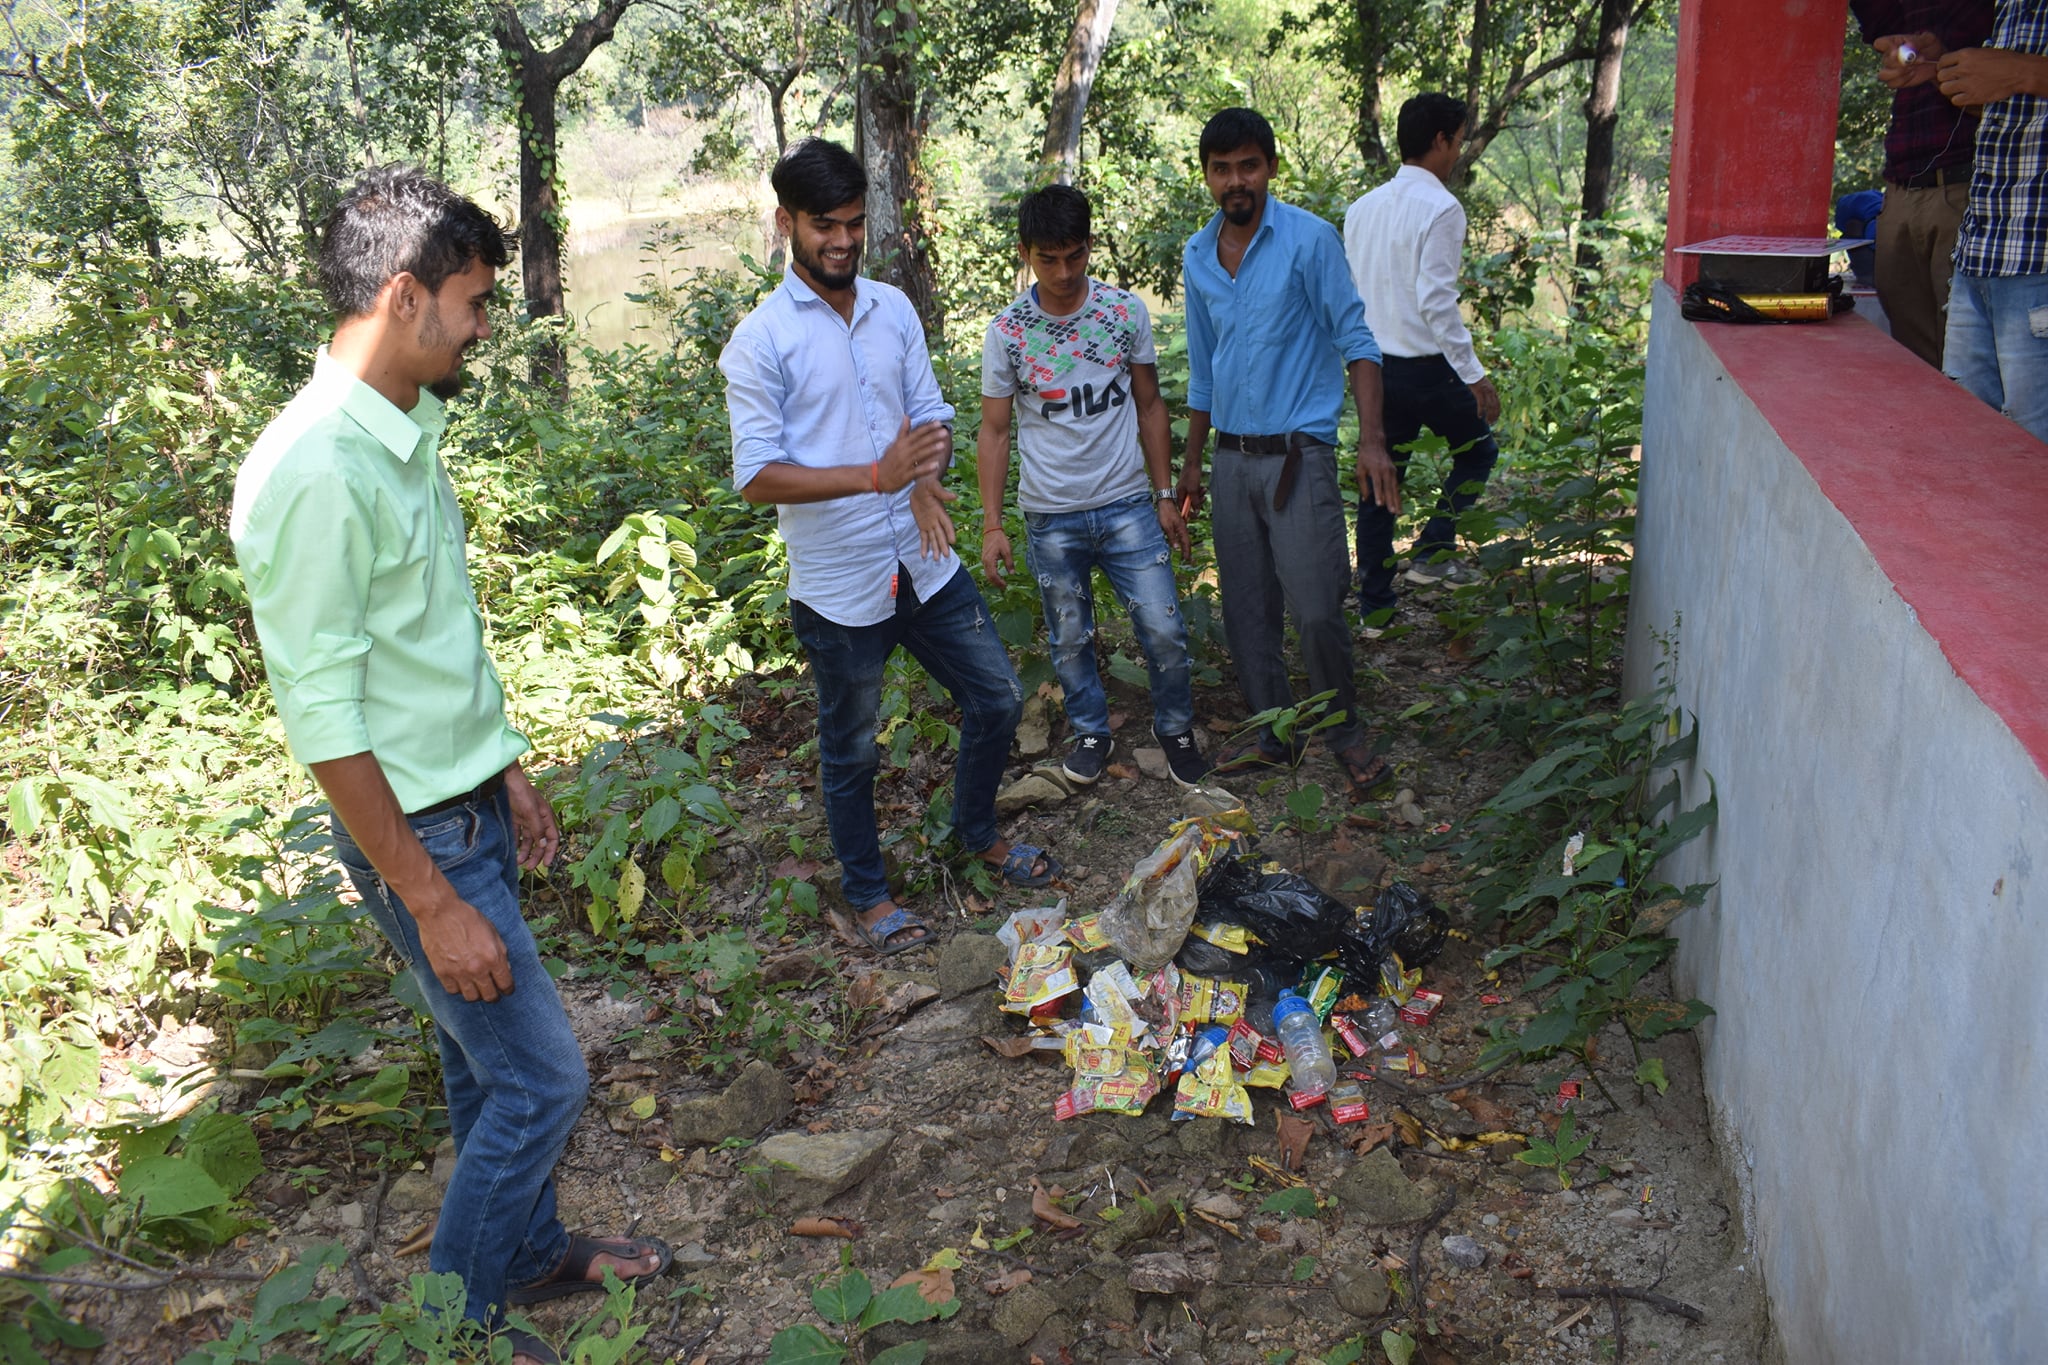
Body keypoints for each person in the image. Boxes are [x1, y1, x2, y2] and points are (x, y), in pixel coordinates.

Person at [230, 166, 668, 1365]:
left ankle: (521, 1257)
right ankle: (456, 1329)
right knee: (541, 1085)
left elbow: (424, 637)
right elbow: (324, 721)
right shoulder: (318, 469)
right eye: (473, 304)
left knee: (482, 1080)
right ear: (404, 295)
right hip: (420, 841)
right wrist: (427, 898)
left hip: (462, 804)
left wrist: (502, 765)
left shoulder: (399, 429)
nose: (484, 326)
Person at [720, 138, 1052, 956]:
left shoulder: (893, 307)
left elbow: (930, 415)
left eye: (854, 224)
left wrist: (924, 479)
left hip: (923, 555)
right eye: (822, 225)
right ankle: (869, 895)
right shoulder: (760, 342)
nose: (841, 240)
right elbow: (757, 476)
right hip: (838, 585)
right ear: (786, 223)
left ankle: (978, 832)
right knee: (853, 749)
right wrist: (873, 475)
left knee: (998, 698)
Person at [1174, 107, 1397, 795]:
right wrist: (1189, 464)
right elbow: (1205, 371)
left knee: (1319, 603)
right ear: (1207, 177)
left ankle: (1346, 731)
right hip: (1231, 459)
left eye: (1248, 165)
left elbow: (1357, 342)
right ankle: (1274, 730)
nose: (1235, 180)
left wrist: (1373, 441)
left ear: (1270, 166)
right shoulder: (1197, 254)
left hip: (1299, 455)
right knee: (1246, 606)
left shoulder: (1309, 241)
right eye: (1221, 169)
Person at [977, 184, 1209, 790]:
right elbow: (996, 431)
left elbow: (1150, 404)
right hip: (1051, 514)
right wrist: (993, 523)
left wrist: (1165, 496)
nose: (1062, 271)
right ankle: (1089, 729)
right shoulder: (1008, 332)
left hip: (1128, 502)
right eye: (1047, 258)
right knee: (1070, 634)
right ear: (1026, 252)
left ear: (1089, 248)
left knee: (1162, 624)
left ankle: (1176, 726)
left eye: (1074, 256)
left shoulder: (1122, 312)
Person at [1343, 92, 1502, 633]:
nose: (1458, 152)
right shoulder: (1441, 208)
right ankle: (1434, 551)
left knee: (1380, 483)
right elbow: (1436, 302)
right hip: (1425, 370)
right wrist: (1475, 375)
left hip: (1372, 370)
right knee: (1479, 451)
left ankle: (1376, 612)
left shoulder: (1362, 208)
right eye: (1458, 141)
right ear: (1440, 141)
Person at [1920, 3, 2048, 442]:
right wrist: (1946, 72)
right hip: (1983, 250)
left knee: (2033, 459)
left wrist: (2026, 73)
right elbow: (2015, 107)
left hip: (2039, 262)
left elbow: (2024, 78)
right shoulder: (2014, 5)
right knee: (1970, 445)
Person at [1850, 1, 1996, 368]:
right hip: (1902, 187)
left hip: (1972, 184)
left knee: (1972, 360)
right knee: (1915, 361)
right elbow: (1886, 38)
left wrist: (1945, 65)